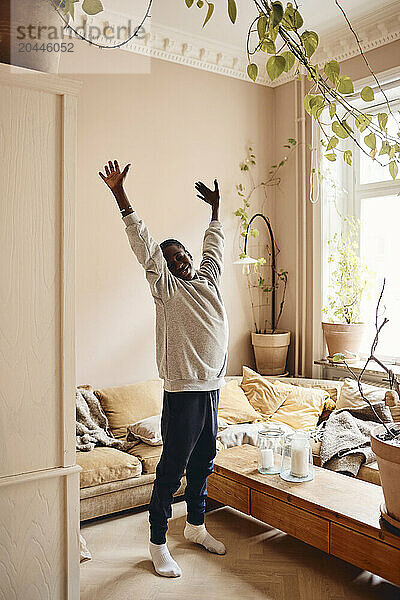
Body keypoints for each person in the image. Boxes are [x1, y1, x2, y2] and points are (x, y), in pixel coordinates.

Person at [99, 160, 229, 578]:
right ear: (165, 268)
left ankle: (194, 526)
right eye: (172, 259)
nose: (181, 261)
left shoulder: (207, 278)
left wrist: (214, 212)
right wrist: (121, 196)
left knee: (204, 460)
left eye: (183, 254)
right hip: (183, 389)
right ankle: (157, 541)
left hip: (211, 387)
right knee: (172, 467)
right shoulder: (167, 289)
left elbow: (213, 248)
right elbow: (144, 245)